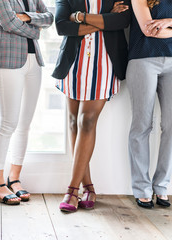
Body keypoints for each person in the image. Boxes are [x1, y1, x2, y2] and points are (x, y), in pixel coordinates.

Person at [53, 0, 131, 212]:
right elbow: (61, 26)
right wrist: (105, 19)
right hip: (74, 61)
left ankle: (71, 190)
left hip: (105, 61)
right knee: (73, 123)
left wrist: (79, 17)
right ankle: (88, 187)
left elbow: (123, 20)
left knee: (86, 120)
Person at [0, 0, 53, 205]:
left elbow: (49, 17)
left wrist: (26, 16)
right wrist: (35, 29)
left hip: (34, 62)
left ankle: (14, 178)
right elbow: (8, 23)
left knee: (25, 125)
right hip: (8, 59)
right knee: (8, 124)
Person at [127, 0, 172, 209]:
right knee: (142, 125)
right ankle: (141, 188)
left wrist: (168, 22)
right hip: (143, 59)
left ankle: (161, 186)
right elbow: (148, 30)